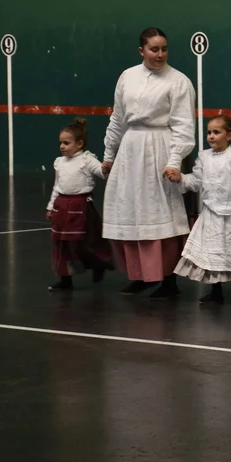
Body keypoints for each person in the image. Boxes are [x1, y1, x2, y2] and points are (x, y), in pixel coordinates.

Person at [102, 27, 196, 300]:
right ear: (141, 50)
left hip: (161, 150)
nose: (160, 54)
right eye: (154, 49)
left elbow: (183, 127)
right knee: (132, 211)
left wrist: (174, 162)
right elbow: (118, 119)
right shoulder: (127, 77)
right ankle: (141, 276)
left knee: (162, 213)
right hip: (130, 151)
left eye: (164, 49)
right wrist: (109, 154)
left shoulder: (179, 81)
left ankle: (169, 280)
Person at [173, 115, 231, 303]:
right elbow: (196, 180)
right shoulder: (204, 157)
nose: (211, 136)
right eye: (209, 132)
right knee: (212, 253)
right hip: (211, 212)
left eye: (216, 132)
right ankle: (216, 291)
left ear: (229, 135)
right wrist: (181, 178)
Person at [46, 118, 112, 291]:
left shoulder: (87, 159)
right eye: (60, 143)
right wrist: (51, 206)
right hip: (61, 207)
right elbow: (57, 186)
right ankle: (65, 279)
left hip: (81, 208)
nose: (62, 146)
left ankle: (99, 264)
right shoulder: (59, 162)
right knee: (61, 244)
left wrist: (106, 168)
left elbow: (102, 173)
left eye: (66, 143)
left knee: (86, 242)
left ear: (79, 143)